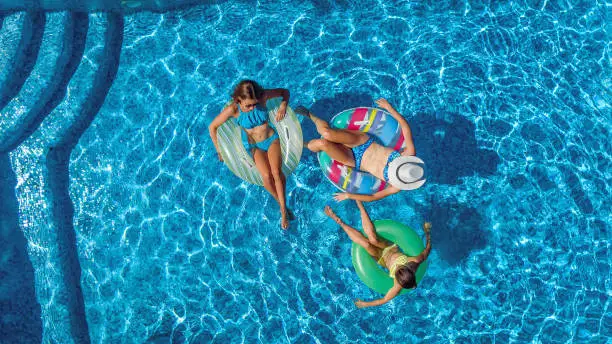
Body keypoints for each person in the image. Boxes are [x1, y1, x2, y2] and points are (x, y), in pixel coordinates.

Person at [295, 98, 426, 202]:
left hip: (355, 160)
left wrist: (348, 196)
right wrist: (389, 108)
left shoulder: (396, 187)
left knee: (322, 143)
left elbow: (373, 197)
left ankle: (300, 144)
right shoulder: (409, 153)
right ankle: (310, 115)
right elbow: (405, 127)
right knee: (327, 133)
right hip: (363, 142)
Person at [208, 80, 292, 229]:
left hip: (271, 139)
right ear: (238, 100)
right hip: (254, 146)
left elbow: (284, 91)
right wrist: (219, 150)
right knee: (266, 176)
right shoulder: (233, 110)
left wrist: (283, 104)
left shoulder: (263, 96)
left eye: (255, 104)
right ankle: (281, 204)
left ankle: (283, 212)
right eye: (248, 105)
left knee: (276, 173)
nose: (253, 107)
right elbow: (212, 127)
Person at [324, 201, 431, 308]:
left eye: (398, 269)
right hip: (389, 247)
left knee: (366, 244)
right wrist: (427, 232)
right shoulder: (415, 261)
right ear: (408, 266)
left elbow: (384, 300)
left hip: (380, 258)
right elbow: (427, 249)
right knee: (373, 239)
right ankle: (359, 203)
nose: (397, 265)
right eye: (401, 266)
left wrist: (364, 304)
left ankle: (338, 221)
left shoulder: (397, 285)